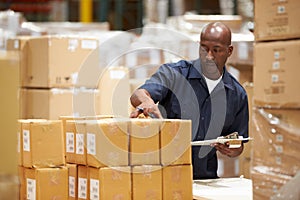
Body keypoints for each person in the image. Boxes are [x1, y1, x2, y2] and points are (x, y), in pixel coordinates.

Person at [129, 22, 249, 179]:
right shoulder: (174, 74)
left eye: (217, 50)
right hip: (166, 176)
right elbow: (139, 94)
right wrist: (146, 101)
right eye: (204, 48)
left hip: (205, 180)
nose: (209, 56)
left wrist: (233, 150)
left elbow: (238, 144)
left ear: (229, 51)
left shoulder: (237, 95)